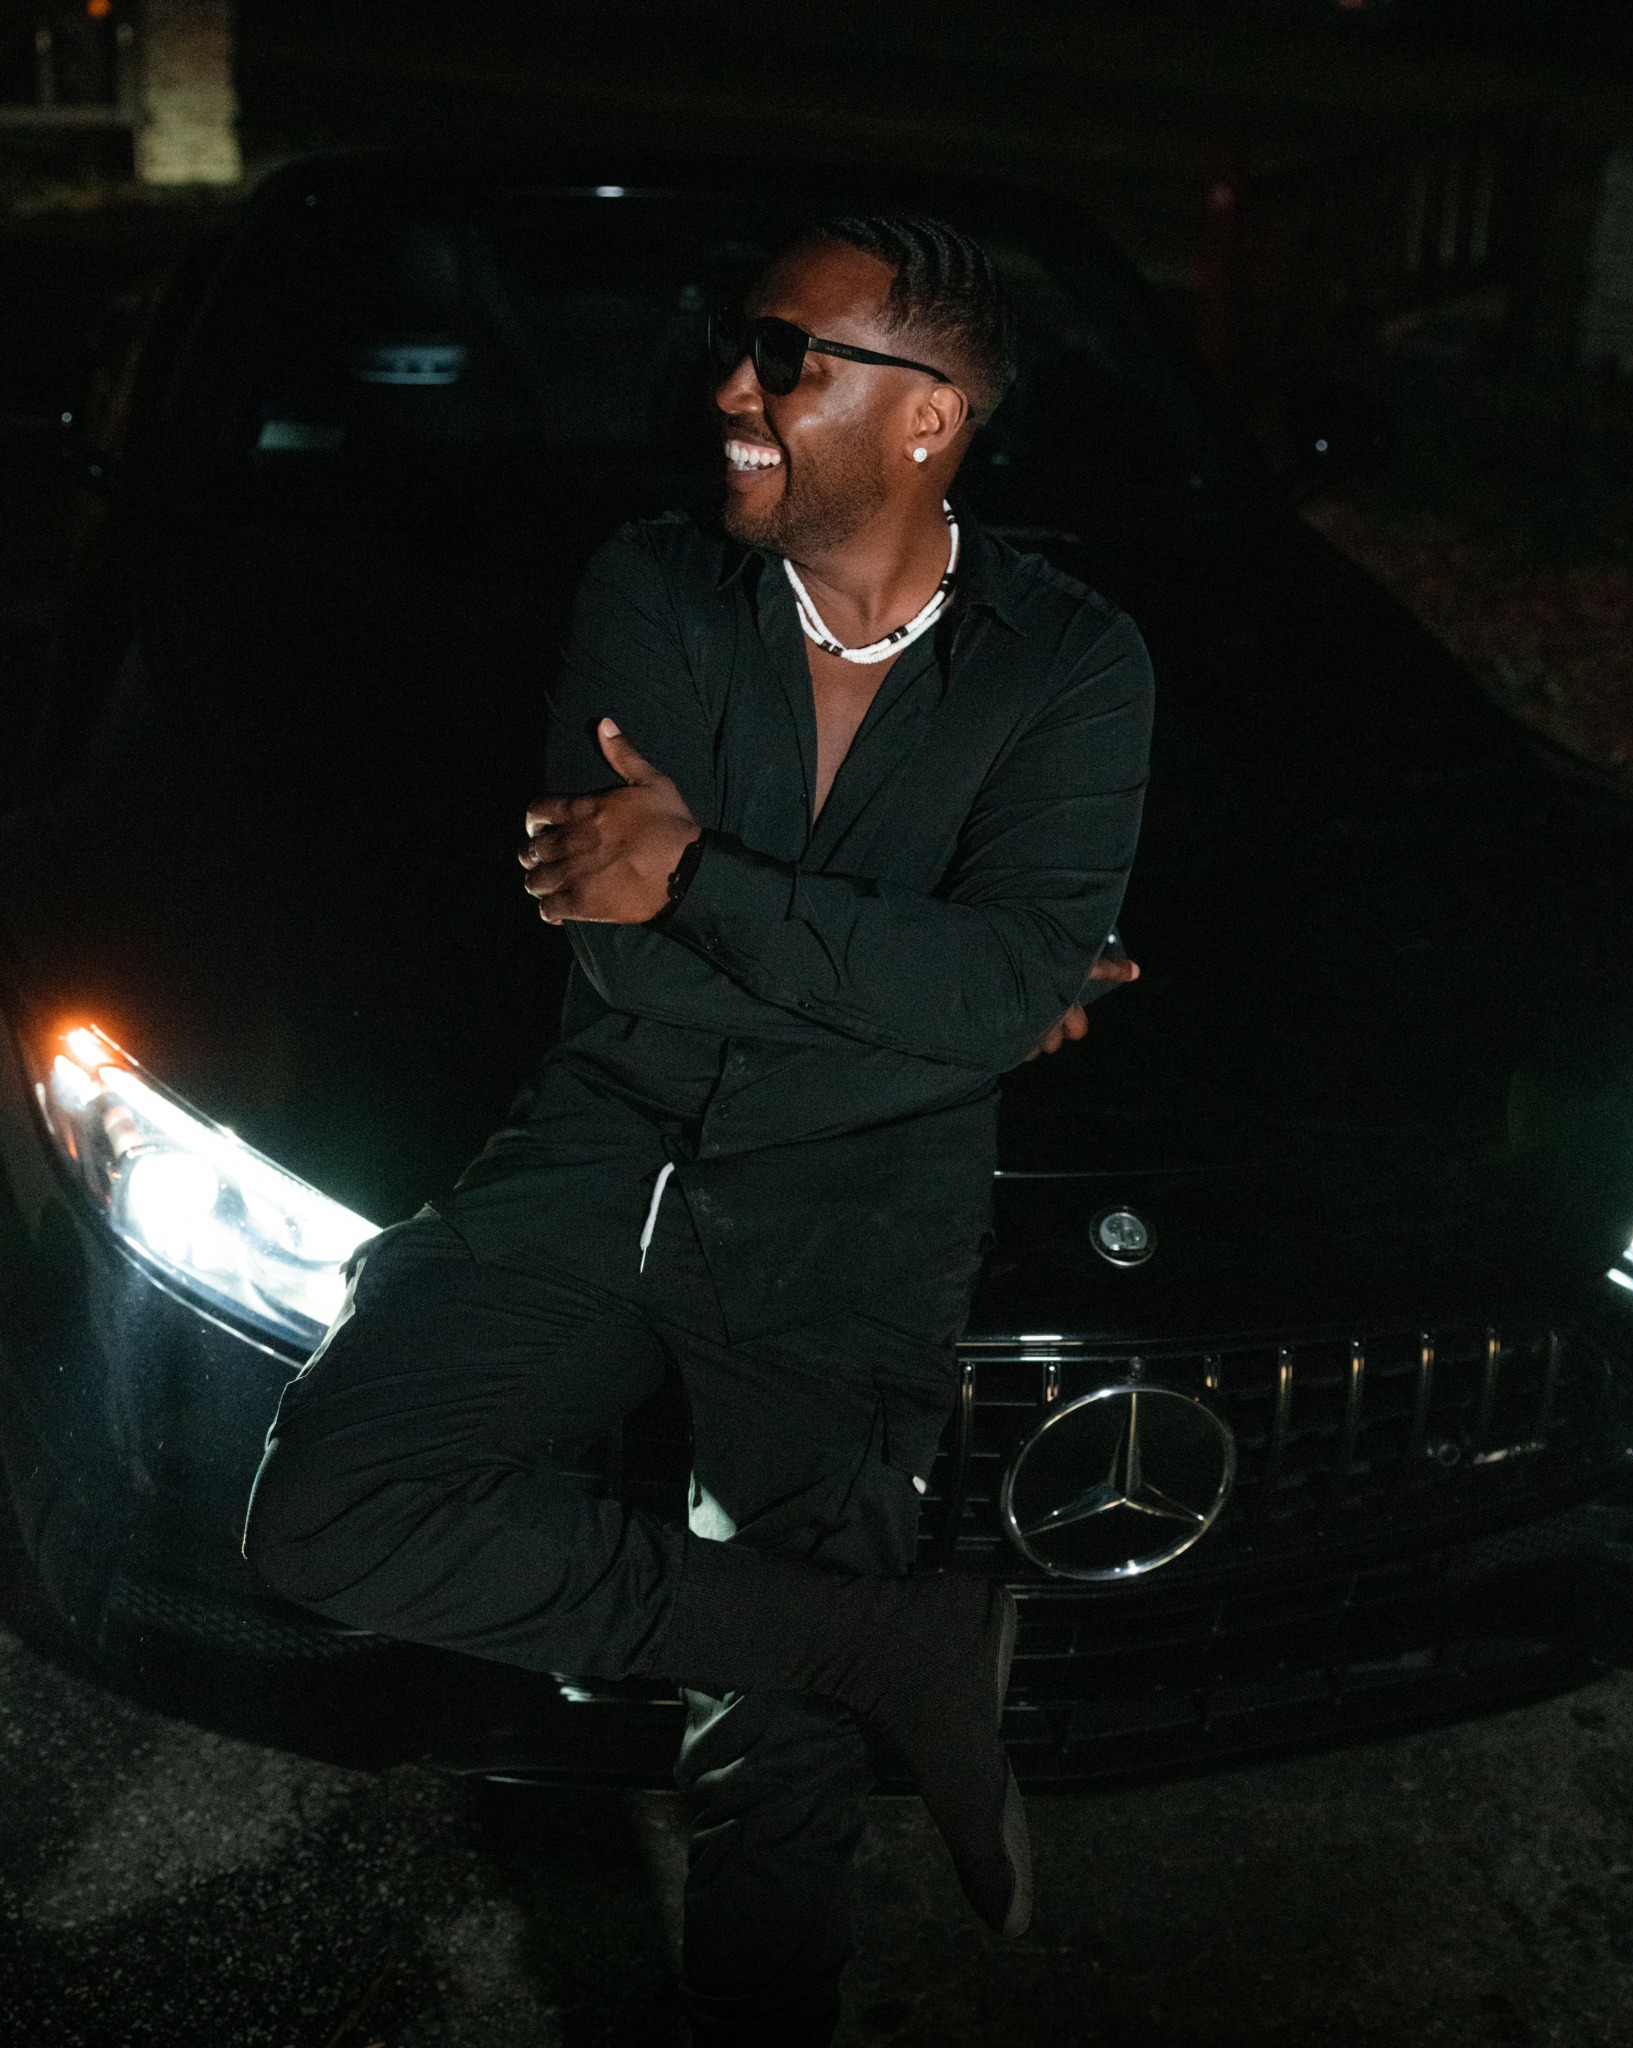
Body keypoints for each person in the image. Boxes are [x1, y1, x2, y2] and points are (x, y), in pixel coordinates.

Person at [243, 212, 1153, 2047]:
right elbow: (638, 961)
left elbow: (968, 980)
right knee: (331, 1514)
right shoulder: (655, 585)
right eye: (739, 344)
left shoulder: (1071, 662)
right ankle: (877, 1639)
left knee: (779, 1766)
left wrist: (709, 878)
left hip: (856, 1212)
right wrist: (940, 990)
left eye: (786, 357)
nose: (732, 388)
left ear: (928, 416)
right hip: (604, 1140)